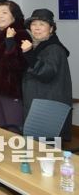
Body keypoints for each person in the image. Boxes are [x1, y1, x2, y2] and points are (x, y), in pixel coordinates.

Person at [21, 9, 72, 141]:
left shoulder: (53, 48)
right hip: (41, 104)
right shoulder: (41, 46)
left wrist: (28, 54)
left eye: (42, 24)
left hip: (46, 108)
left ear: (51, 29)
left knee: (45, 148)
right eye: (34, 24)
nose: (37, 28)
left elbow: (46, 73)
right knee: (37, 147)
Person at [0, 0, 29, 133]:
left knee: (14, 129)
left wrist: (10, 41)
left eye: (4, 12)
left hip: (12, 89)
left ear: (13, 16)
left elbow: (19, 65)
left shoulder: (20, 33)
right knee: (3, 128)